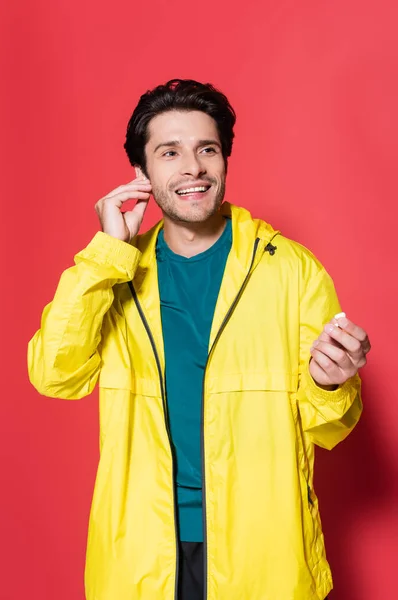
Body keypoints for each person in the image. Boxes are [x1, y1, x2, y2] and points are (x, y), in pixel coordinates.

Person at [27, 79, 371, 600]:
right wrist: (105, 254)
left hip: (264, 556)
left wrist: (330, 384)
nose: (193, 168)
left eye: (206, 149)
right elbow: (55, 374)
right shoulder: (115, 272)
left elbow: (331, 429)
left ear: (224, 160)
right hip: (140, 556)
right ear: (142, 174)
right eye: (170, 152)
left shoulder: (292, 270)